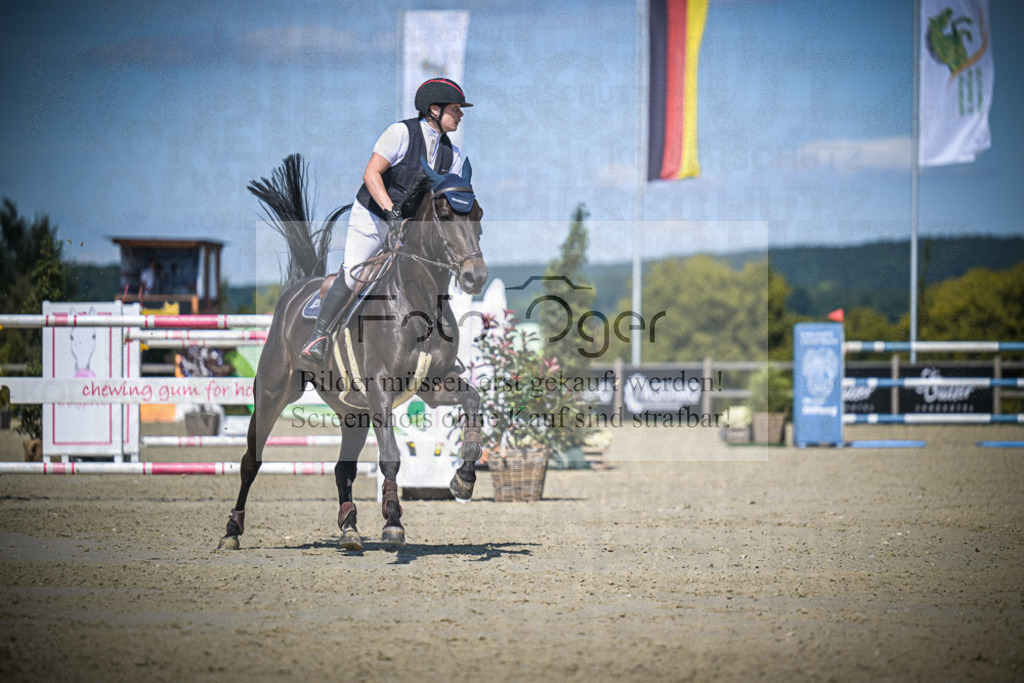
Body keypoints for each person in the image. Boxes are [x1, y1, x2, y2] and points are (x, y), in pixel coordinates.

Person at [300, 78, 472, 362]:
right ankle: (318, 337)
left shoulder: (451, 154)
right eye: (456, 108)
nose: (461, 114)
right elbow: (371, 174)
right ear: (434, 110)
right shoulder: (400, 133)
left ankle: (441, 353)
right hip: (373, 215)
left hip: (408, 224)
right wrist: (391, 212)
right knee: (356, 273)